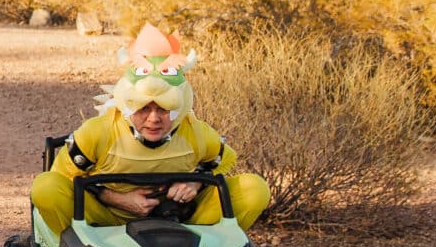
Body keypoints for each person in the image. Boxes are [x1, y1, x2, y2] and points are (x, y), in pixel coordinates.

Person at [30, 23, 270, 236]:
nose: (154, 119)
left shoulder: (196, 132)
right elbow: (63, 176)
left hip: (181, 223)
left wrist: (194, 184)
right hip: (108, 223)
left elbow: (223, 162)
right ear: (128, 103)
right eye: (144, 109)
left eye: (164, 109)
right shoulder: (98, 132)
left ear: (178, 105)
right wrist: (118, 199)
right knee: (45, 188)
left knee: (254, 188)